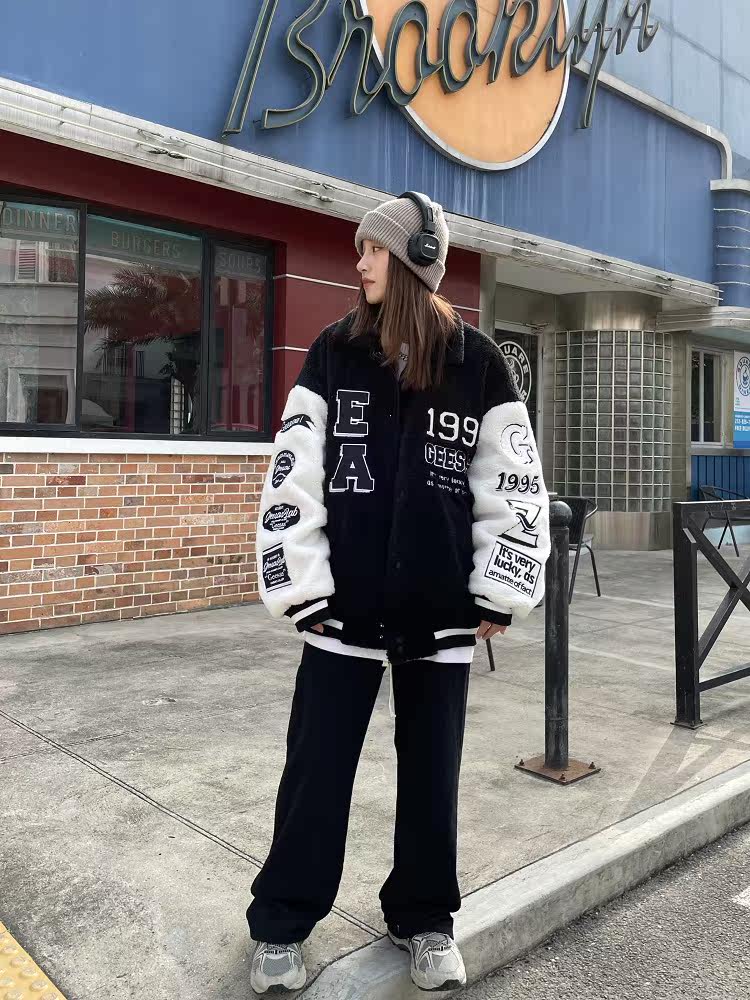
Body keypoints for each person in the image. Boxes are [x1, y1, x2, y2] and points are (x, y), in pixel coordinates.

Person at [248, 192, 550, 994]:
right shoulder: (335, 350)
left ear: (415, 258)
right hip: (340, 611)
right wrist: (302, 588)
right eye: (360, 249)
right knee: (315, 774)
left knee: (431, 781)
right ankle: (281, 924)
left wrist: (500, 589)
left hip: (439, 615)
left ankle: (425, 921)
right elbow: (293, 476)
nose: (359, 263)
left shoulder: (478, 362)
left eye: (372, 249)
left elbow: (512, 483)